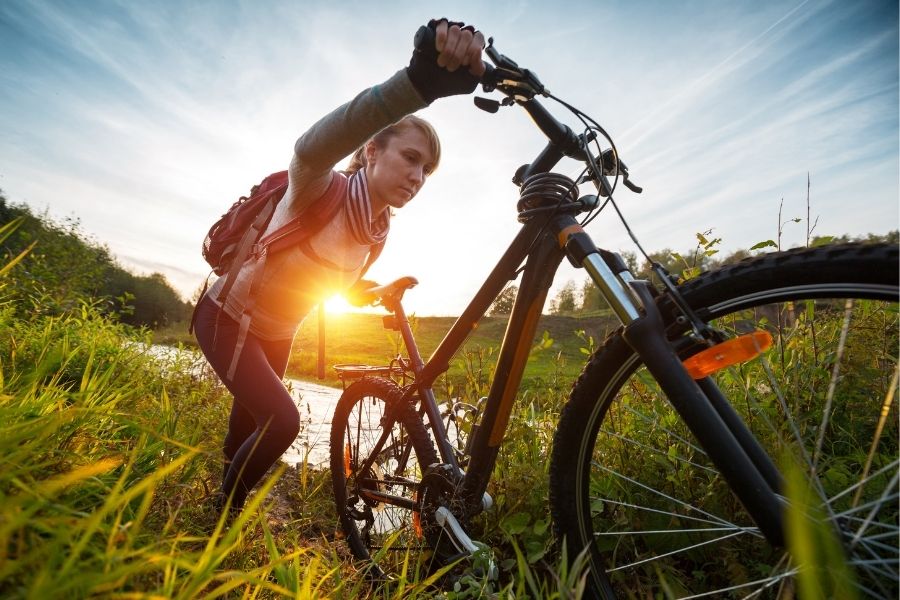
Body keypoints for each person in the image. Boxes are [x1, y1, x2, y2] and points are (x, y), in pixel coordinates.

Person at [192, 19, 486, 515]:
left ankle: (217, 514)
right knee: (281, 423)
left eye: (426, 170)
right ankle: (225, 514)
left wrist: (373, 291)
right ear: (371, 151)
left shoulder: (378, 230)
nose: (417, 177)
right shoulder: (316, 186)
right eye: (410, 158)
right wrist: (415, 86)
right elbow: (311, 145)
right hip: (226, 318)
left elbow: (327, 279)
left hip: (277, 334)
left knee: (248, 426)